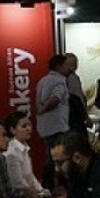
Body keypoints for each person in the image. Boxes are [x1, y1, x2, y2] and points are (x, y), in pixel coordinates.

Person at [3, 110, 56, 198]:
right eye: (24, 126)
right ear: (12, 130)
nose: (29, 129)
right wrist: (38, 194)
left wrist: (41, 190)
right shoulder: (11, 153)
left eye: (29, 125)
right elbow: (18, 183)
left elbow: (30, 176)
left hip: (31, 194)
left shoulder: (24, 148)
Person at [35, 53, 70, 189]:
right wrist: (44, 109)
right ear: (59, 66)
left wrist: (40, 111)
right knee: (59, 158)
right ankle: (58, 186)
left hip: (44, 127)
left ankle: (47, 186)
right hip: (57, 126)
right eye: (65, 65)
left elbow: (38, 102)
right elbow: (56, 98)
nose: (68, 68)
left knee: (49, 157)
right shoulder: (59, 80)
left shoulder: (42, 81)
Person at [64, 52, 90, 134]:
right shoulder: (72, 78)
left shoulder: (59, 78)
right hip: (75, 118)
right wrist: (86, 117)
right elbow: (78, 98)